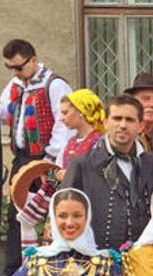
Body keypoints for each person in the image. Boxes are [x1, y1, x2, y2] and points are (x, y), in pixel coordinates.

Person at [0, 39, 73, 276]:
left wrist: (50, 159)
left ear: (33, 60)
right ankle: (14, 271)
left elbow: (64, 125)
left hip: (46, 160)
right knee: (16, 212)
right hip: (22, 158)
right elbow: (10, 114)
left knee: (52, 211)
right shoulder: (17, 85)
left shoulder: (55, 85)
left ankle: (52, 269)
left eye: (18, 67)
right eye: (11, 68)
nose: (15, 73)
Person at [63, 94, 153, 250]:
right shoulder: (81, 165)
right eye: (117, 118)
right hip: (97, 260)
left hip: (146, 261)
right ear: (106, 122)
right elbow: (64, 215)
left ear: (140, 126)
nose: (123, 125)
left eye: (129, 120)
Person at [15, 89, 105, 249]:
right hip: (63, 203)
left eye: (65, 112)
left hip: (88, 206)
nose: (61, 118)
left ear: (81, 112)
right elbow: (55, 170)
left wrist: (70, 174)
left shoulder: (100, 142)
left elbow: (102, 174)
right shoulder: (70, 142)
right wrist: (53, 174)